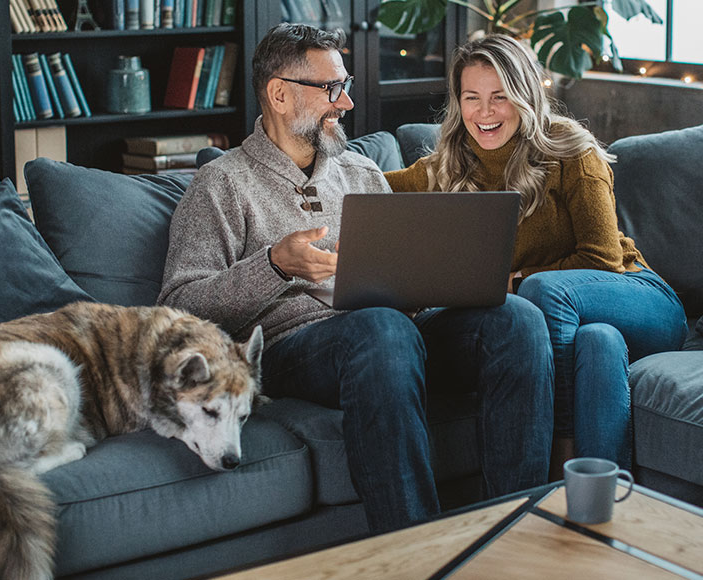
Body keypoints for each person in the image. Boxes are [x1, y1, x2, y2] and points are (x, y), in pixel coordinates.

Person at [158, 23, 554, 534]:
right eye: (330, 89)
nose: (345, 103)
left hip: (393, 332)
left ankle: (516, 532)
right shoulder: (220, 185)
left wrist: (447, 283)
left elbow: (401, 281)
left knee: (516, 318)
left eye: (344, 86)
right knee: (381, 329)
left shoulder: (362, 173)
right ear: (279, 94)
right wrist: (274, 265)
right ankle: (416, 549)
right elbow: (179, 307)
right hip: (294, 348)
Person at [385, 34, 688, 475]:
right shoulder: (446, 165)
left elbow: (603, 258)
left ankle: (557, 454)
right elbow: (369, 189)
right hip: (586, 324)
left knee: (544, 290)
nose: (484, 112)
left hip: (641, 298)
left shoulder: (570, 149)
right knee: (597, 342)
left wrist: (516, 281)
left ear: (525, 95)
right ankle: (604, 502)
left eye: (500, 97)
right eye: (472, 97)